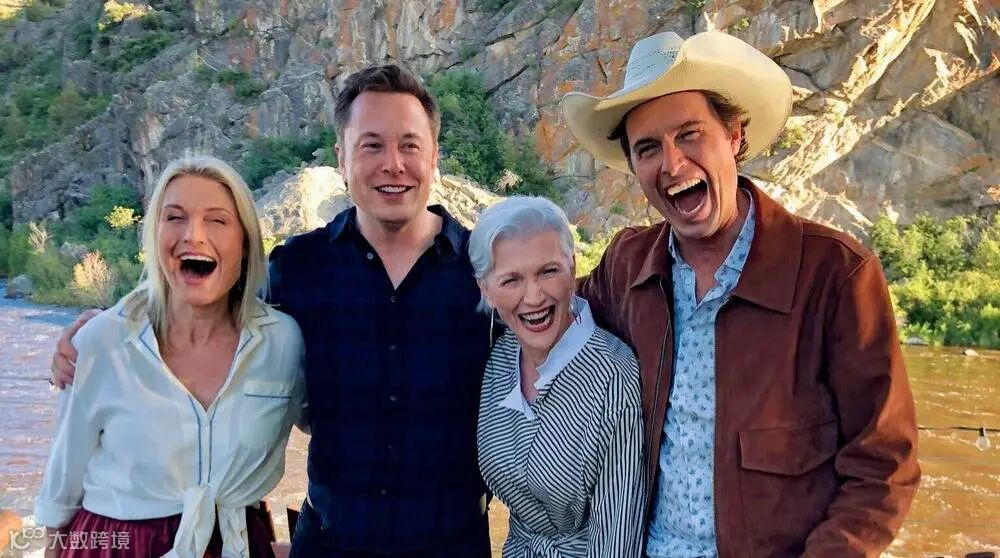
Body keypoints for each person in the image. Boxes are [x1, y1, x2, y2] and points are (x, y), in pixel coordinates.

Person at [51, 66, 494, 556]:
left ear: (433, 157)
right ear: (341, 158)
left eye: (410, 145)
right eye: (371, 145)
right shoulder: (296, 268)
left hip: (454, 544)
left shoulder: (489, 271)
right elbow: (203, 295)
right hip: (327, 544)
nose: (393, 164)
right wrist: (106, 323)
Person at [562, 30, 921, 556]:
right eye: (648, 149)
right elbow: (543, 313)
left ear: (733, 136)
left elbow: (883, 463)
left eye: (690, 134)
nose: (672, 164)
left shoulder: (836, 274)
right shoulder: (627, 266)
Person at [35, 155, 306, 557]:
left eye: (217, 220)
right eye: (174, 217)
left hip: (235, 541)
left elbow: (334, 423)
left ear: (245, 242)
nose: (193, 235)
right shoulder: (101, 341)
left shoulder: (284, 342)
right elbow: (61, 486)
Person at [471, 196, 645, 556]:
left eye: (548, 271)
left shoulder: (614, 375)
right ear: (485, 290)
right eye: (511, 280)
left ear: (573, 267)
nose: (534, 297)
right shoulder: (499, 359)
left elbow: (618, 536)